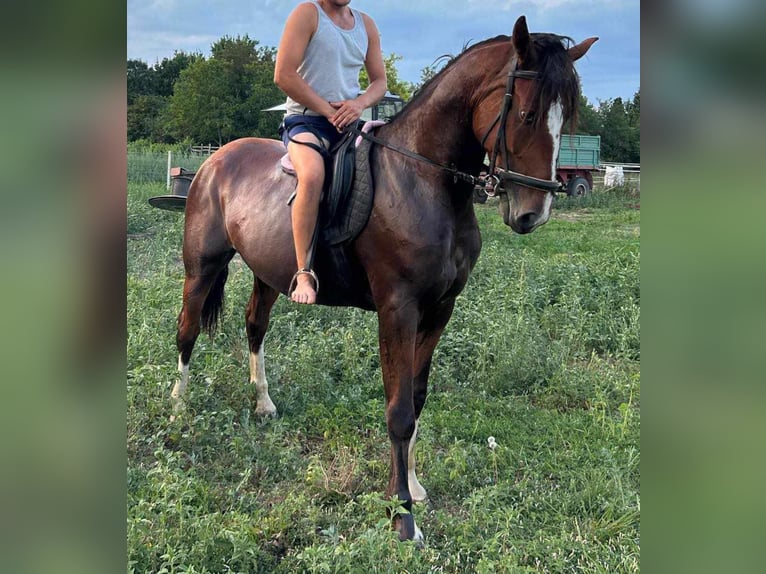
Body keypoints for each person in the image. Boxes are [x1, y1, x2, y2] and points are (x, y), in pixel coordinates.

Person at [274, 0, 387, 304]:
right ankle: (303, 272)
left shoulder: (367, 25)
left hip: (348, 121)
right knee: (312, 175)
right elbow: (283, 74)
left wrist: (359, 103)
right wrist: (328, 111)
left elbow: (379, 81)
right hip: (307, 120)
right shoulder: (307, 14)